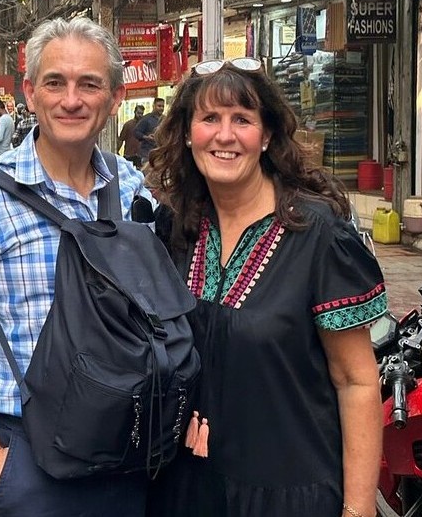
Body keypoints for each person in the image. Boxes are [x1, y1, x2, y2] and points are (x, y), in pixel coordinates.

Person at [0, 18, 152, 516]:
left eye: (90, 84)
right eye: (55, 83)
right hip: (24, 452)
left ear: (113, 98)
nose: (72, 100)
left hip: (127, 457)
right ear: (29, 92)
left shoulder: (130, 188)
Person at [144, 58, 386, 517]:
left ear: (268, 135)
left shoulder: (317, 236)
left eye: (242, 120)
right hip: (185, 489)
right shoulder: (176, 229)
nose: (225, 135)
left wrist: (357, 510)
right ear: (187, 133)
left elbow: (356, 381)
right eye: (209, 118)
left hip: (287, 492)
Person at [133, 96, 165, 165]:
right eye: (159, 106)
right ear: (153, 106)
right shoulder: (146, 119)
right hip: (147, 154)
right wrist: (146, 137)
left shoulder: (165, 119)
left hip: (160, 155)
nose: (161, 108)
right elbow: (136, 132)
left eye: (163, 106)